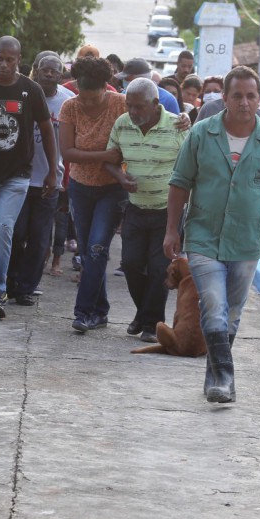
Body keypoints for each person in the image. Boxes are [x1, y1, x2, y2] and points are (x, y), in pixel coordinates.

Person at [163, 66, 260, 404]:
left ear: (259, 99)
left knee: (231, 314)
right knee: (214, 305)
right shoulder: (202, 134)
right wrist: (172, 229)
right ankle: (225, 378)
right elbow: (179, 183)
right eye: (237, 96)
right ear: (225, 98)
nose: (244, 103)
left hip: (245, 241)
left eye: (251, 96)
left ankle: (214, 375)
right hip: (203, 236)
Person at [0, 36, 57, 319]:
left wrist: (53, 171)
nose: (4, 64)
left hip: (18, 176)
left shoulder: (31, 90)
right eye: (0, 59)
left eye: (10, 59)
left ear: (19, 60)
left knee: (4, 228)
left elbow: (47, 130)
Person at [105, 78, 189, 343]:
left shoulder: (178, 126)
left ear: (155, 104)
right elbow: (111, 160)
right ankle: (144, 315)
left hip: (168, 212)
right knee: (130, 265)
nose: (132, 112)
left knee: (158, 269)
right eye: (129, 106)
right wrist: (121, 177)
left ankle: (152, 324)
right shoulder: (122, 124)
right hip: (136, 208)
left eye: (139, 107)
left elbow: (192, 167)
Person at [59, 55, 128, 333]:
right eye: (82, 97)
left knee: (98, 248)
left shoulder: (121, 105)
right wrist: (105, 155)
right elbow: (68, 153)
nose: (85, 103)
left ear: (106, 88)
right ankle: (100, 311)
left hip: (112, 188)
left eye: (92, 99)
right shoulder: (69, 107)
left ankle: (83, 312)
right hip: (81, 188)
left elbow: (151, 114)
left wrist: (182, 118)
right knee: (89, 253)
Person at [6, 52, 72, 306]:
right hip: (19, 177)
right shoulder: (20, 95)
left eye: (55, 70)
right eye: (44, 69)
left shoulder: (68, 102)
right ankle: (9, 281)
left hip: (49, 180)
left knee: (40, 237)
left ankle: (26, 287)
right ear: (35, 69)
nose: (49, 74)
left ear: (61, 75)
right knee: (15, 232)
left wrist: (61, 177)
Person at [115, 58, 187, 117]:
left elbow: (177, 127)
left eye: (127, 80)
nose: (124, 82)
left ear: (141, 80)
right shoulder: (123, 96)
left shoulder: (168, 100)